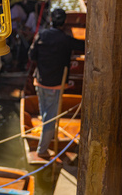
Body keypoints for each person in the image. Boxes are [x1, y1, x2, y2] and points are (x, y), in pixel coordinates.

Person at [28, 8, 85, 159]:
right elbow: (83, 46)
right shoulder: (65, 39)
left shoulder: (42, 35)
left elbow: (32, 55)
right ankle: (42, 150)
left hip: (40, 82)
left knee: (46, 114)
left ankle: (49, 137)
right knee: (49, 117)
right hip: (55, 85)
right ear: (64, 22)